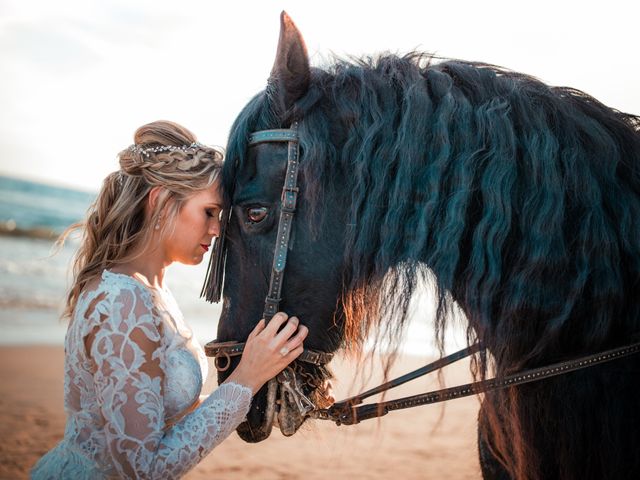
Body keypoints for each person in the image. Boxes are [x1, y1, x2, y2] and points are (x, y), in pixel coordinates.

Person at [31, 120, 308, 479]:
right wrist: (246, 378)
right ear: (161, 201)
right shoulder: (122, 302)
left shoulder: (148, 291)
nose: (218, 228)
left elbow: (163, 422)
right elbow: (141, 470)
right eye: (209, 211)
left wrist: (260, 384)